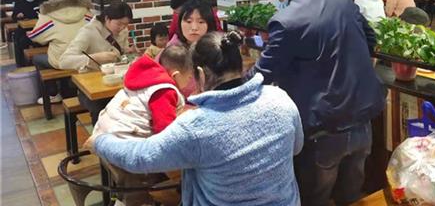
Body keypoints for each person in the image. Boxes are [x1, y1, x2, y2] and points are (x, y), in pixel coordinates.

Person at [92, 31, 304, 206]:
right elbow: (296, 148)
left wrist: (100, 141)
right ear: (241, 67)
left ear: (200, 74)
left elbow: (140, 157)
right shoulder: (280, 98)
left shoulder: (195, 127)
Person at [249, 0, 386, 205]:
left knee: (314, 197)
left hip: (322, 129)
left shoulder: (286, 21)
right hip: (361, 119)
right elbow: (370, 40)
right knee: (351, 196)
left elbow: (261, 76)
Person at [89, 46, 192, 206]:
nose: (189, 82)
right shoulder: (164, 90)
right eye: (189, 77)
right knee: (138, 193)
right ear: (176, 75)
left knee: (128, 188)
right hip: (124, 144)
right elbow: (165, 130)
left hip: (104, 134)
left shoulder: (146, 78)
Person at [60, 1, 133, 122]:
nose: (122, 28)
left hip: (116, 81)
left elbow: (122, 52)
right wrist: (95, 58)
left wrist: (128, 52)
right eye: (119, 24)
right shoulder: (88, 32)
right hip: (90, 87)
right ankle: (101, 133)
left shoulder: (123, 31)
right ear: (107, 19)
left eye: (125, 24)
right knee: (100, 109)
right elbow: (64, 61)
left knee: (133, 102)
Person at [27, 0, 93, 104]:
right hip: (86, 58)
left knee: (37, 59)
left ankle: (52, 94)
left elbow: (36, 37)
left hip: (62, 60)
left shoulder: (48, 15)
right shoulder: (87, 13)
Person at [12, 0, 45, 66]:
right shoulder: (19, 1)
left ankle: (40, 61)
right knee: (19, 39)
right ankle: (21, 63)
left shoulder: (41, 0)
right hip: (23, 28)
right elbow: (13, 17)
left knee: (41, 40)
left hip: (39, 27)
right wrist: (18, 16)